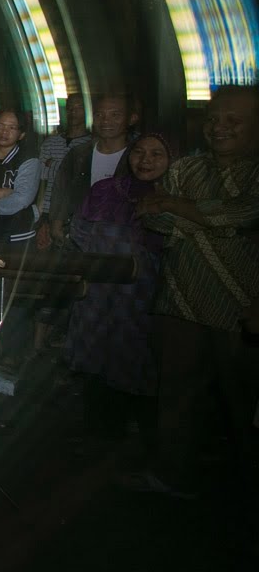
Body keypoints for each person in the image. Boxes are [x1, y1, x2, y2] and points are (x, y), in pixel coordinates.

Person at [128, 85, 259, 499]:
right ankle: (173, 478)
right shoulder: (187, 168)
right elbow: (154, 221)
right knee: (177, 398)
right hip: (181, 301)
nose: (219, 128)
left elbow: (239, 213)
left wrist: (177, 207)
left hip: (241, 310)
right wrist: (213, 221)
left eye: (233, 121)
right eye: (214, 119)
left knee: (245, 405)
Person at [63, 133, 174, 439]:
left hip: (141, 297)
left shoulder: (173, 200)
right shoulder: (106, 190)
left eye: (156, 154)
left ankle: (136, 435)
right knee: (96, 357)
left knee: (134, 360)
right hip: (99, 292)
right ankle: (97, 434)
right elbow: (79, 230)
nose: (145, 161)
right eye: (138, 152)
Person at [40, 93, 136, 249]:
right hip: (77, 236)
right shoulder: (79, 154)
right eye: (99, 114)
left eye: (115, 115)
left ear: (132, 118)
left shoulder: (138, 156)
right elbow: (60, 190)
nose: (106, 120)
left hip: (122, 240)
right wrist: (56, 223)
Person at [0, 108, 41, 246]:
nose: (4, 132)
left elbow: (21, 199)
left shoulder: (29, 160)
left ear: (21, 134)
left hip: (19, 234)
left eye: (12, 128)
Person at [35, 97, 92, 244]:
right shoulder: (51, 142)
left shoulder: (90, 144)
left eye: (78, 107)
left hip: (77, 210)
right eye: (70, 108)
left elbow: (81, 179)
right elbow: (40, 173)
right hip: (46, 208)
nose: (73, 112)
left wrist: (53, 164)